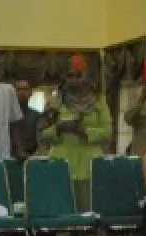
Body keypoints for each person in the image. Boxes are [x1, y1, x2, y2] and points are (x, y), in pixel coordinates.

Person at [40, 54, 112, 211]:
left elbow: (108, 133)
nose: (74, 80)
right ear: (64, 78)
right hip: (61, 165)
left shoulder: (99, 101)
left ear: (86, 76)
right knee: (62, 211)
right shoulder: (54, 102)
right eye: (70, 76)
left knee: (89, 213)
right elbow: (42, 135)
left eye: (78, 76)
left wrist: (84, 131)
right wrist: (59, 128)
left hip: (91, 165)